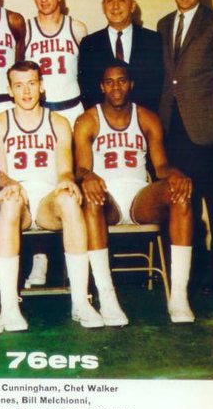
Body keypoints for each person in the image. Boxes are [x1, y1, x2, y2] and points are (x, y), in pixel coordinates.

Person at [75, 61, 194, 323]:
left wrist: (176, 175)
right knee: (91, 200)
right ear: (101, 87)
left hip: (140, 198)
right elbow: (81, 168)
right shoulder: (88, 119)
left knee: (180, 195)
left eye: (121, 81)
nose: (116, 87)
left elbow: (161, 166)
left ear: (131, 84)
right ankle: (107, 298)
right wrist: (88, 175)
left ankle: (178, 296)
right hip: (106, 199)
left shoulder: (147, 117)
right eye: (109, 82)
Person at [0, 60, 104, 330]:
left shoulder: (58, 122)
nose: (26, 91)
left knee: (69, 199)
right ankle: (9, 305)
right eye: (19, 85)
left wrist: (66, 182)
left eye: (32, 84)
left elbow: (64, 170)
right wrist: (9, 184)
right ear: (9, 90)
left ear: (42, 86)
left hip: (46, 201)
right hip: (16, 198)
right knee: (9, 202)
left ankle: (80, 302)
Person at [157, 0, 213, 292]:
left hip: (210, 131)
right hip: (174, 130)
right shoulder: (164, 24)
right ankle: (193, 276)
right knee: (187, 204)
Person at [24, 0, 89, 287]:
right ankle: (40, 259)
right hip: (41, 113)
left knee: (72, 183)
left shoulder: (77, 28)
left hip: (73, 110)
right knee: (41, 183)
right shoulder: (25, 30)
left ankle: (73, 259)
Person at [78, 0, 163, 112]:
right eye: (109, 0)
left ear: (132, 6)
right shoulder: (89, 44)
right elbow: (87, 90)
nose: (115, 6)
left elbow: (158, 87)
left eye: (122, 0)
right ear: (103, 6)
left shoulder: (153, 41)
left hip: (145, 119)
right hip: (103, 121)